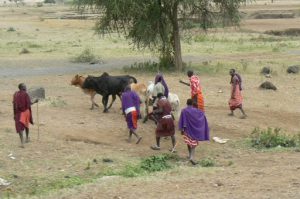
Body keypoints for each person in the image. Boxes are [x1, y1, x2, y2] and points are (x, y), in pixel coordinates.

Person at [178, 99, 210, 165]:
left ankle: (191, 156)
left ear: (186, 104)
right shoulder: (198, 111)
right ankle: (191, 157)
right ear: (192, 104)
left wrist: (182, 129)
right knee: (193, 143)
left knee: (189, 143)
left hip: (187, 130)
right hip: (195, 130)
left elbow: (182, 120)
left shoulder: (184, 111)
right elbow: (202, 116)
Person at [13, 83, 37, 148]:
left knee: (20, 127)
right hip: (25, 112)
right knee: (26, 125)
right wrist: (35, 102)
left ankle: (22, 143)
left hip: (18, 113)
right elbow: (29, 103)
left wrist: (14, 114)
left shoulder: (15, 94)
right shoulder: (25, 94)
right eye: (25, 87)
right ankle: (26, 138)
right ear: (22, 88)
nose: (26, 88)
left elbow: (14, 105)